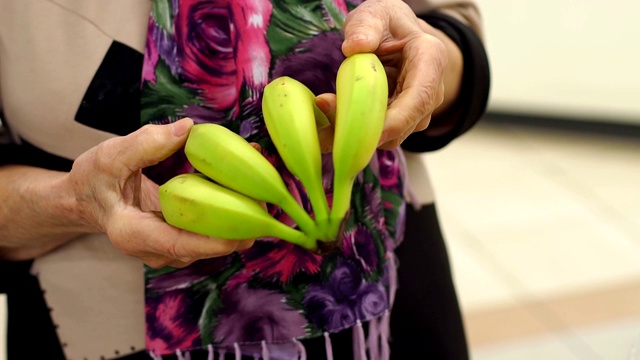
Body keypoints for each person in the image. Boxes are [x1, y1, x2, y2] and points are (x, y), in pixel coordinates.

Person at [0, 0, 490, 359]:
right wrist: (69, 203)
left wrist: (429, 68)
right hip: (103, 320)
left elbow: (452, 27)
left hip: (389, 287)